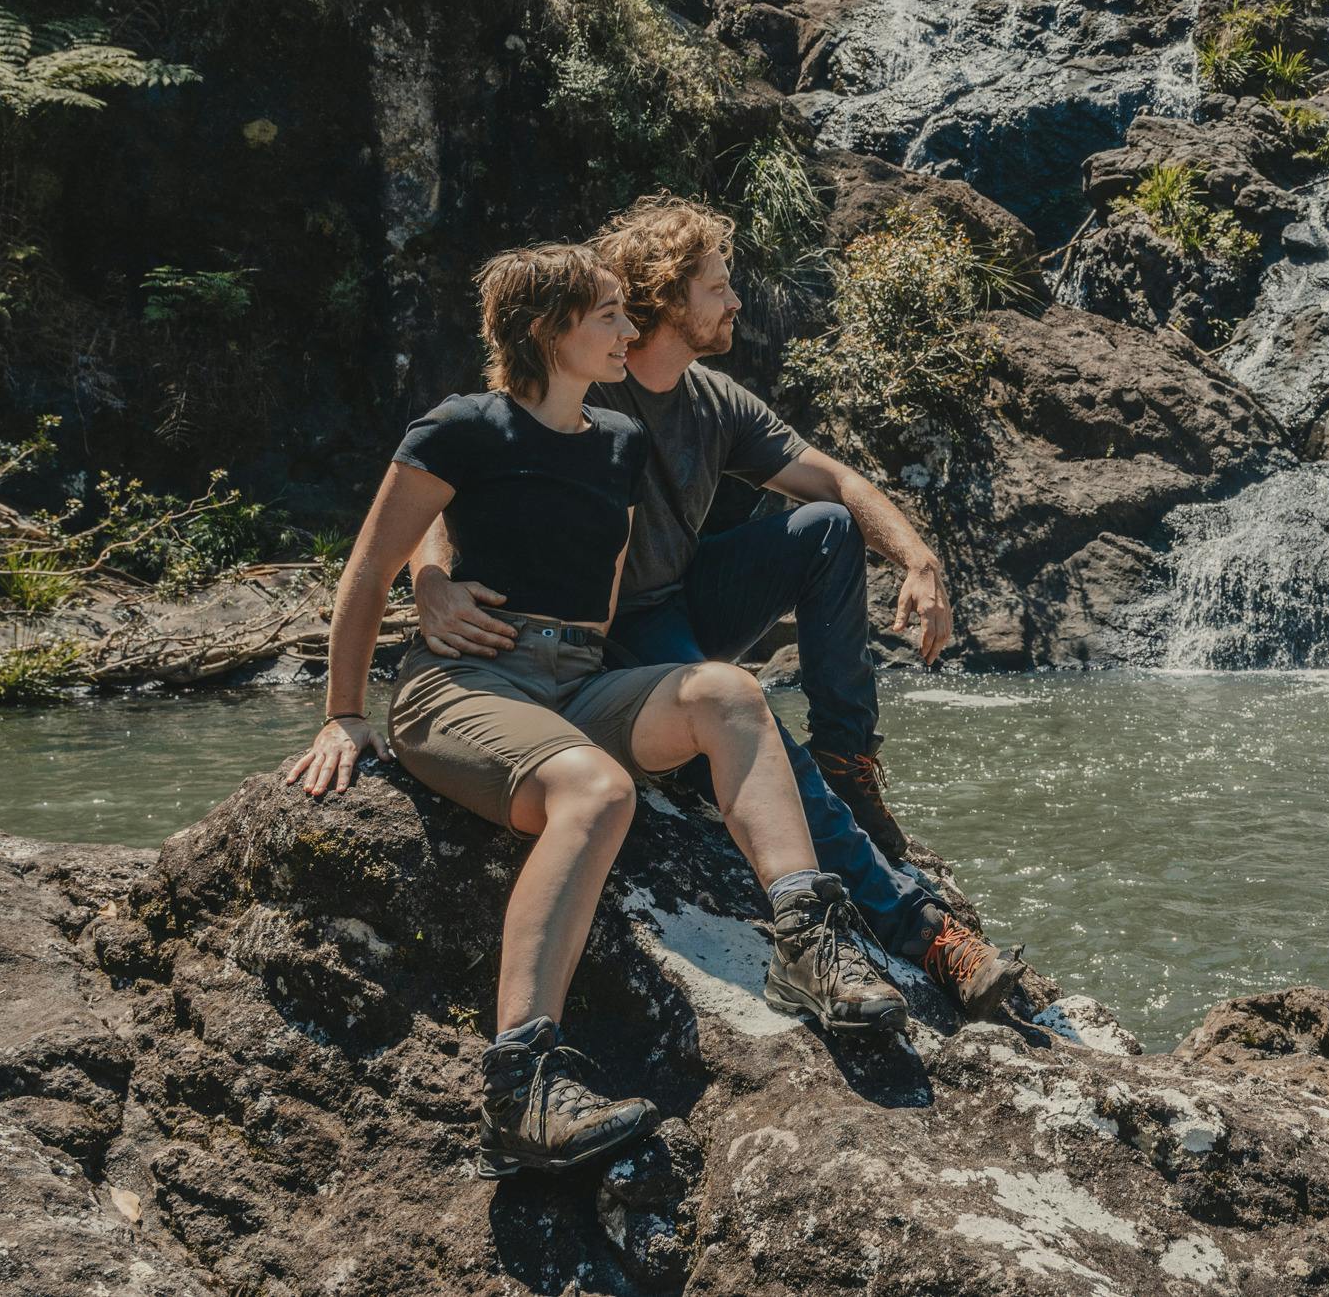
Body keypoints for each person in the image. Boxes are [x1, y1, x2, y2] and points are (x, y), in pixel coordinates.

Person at [284, 244, 909, 1180]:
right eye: (610, 314)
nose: (629, 329)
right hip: (464, 686)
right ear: (548, 331)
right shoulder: (460, 428)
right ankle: (521, 1080)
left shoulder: (619, 443)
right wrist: (347, 707)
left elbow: (603, 606)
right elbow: (371, 568)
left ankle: (807, 940)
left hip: (579, 675)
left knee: (729, 692)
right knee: (597, 790)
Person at [410, 195, 1022, 1021]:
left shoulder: (712, 398)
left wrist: (917, 557)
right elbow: (445, 491)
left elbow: (834, 479)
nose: (736, 301)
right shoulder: (585, 381)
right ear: (665, 297)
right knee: (753, 716)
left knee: (827, 529)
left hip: (682, 594)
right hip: (610, 636)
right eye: (718, 285)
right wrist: (432, 581)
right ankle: (924, 931)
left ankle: (848, 761)